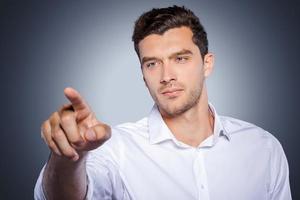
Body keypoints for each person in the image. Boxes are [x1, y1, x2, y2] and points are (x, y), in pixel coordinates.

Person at [34, 5, 292, 200]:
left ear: (207, 64)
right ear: (143, 75)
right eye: (152, 64)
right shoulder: (115, 149)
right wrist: (70, 158)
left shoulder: (264, 148)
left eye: (180, 59)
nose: (166, 76)